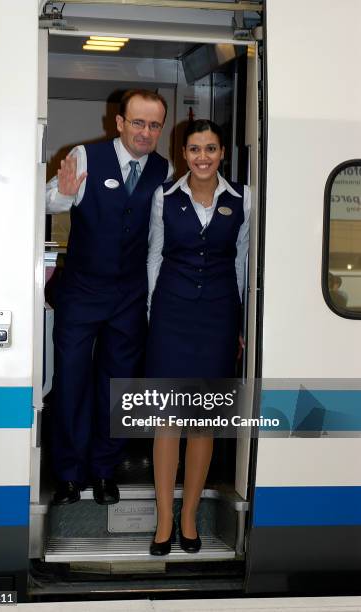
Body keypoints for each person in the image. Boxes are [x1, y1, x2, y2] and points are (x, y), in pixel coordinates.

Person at [46, 90, 172, 506]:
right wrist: (63, 193)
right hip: (82, 292)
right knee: (70, 382)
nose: (146, 132)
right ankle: (68, 474)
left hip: (129, 297)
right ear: (119, 123)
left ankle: (103, 470)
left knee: (116, 387)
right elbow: (48, 200)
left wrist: (152, 297)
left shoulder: (162, 169)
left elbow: (157, 238)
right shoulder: (86, 156)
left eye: (154, 125)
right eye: (138, 122)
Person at [146, 119, 250, 555]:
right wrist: (152, 315)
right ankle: (164, 521)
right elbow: (155, 255)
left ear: (222, 153)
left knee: (202, 421)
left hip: (218, 316)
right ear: (182, 154)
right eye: (194, 149)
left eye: (210, 149)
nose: (202, 157)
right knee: (169, 420)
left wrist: (242, 322)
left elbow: (243, 261)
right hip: (172, 313)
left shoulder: (244, 199)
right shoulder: (165, 196)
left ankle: (190, 516)